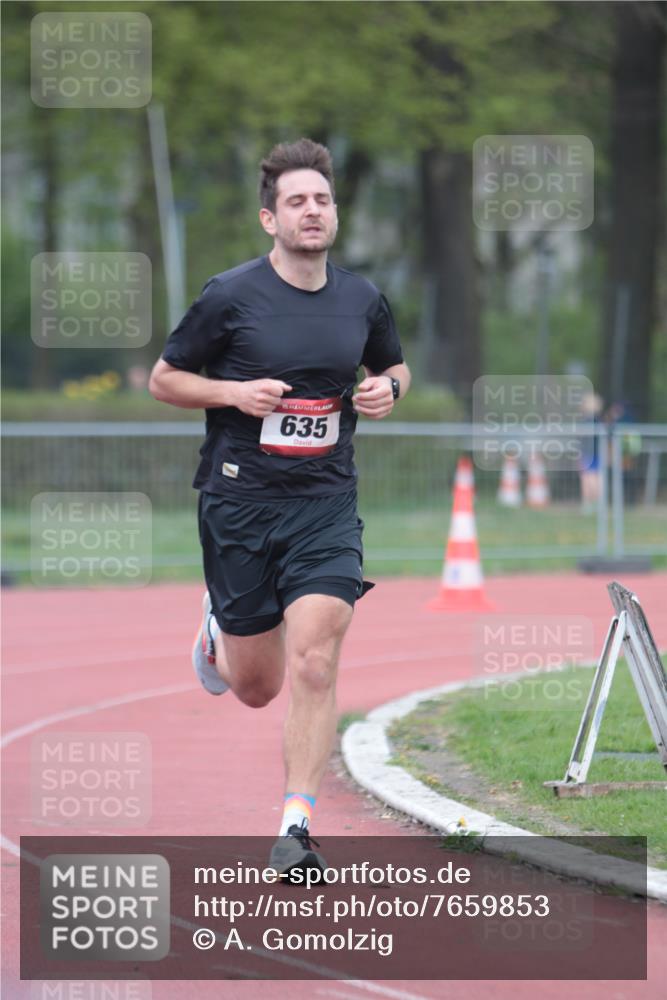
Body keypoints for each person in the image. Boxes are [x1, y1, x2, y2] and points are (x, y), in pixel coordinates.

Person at [149, 138, 410, 876]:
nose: (312, 211)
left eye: (321, 199)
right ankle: (216, 626)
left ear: (335, 213)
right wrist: (232, 392)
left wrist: (388, 390)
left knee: (317, 660)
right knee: (258, 688)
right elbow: (164, 380)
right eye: (296, 201)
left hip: (325, 503)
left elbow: (393, 365)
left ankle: (294, 828)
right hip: (239, 502)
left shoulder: (361, 298)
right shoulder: (229, 295)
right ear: (270, 219)